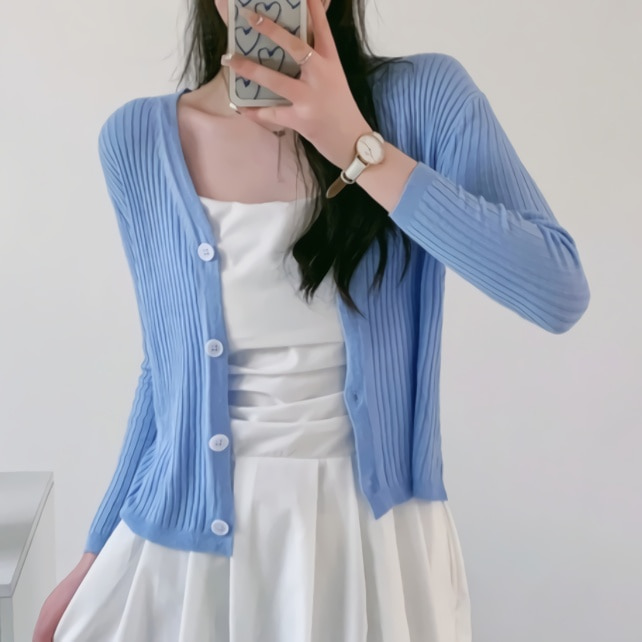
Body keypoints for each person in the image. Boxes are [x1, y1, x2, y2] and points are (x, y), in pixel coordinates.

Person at [34, 0, 591, 640]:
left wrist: (358, 147)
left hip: (375, 547)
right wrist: (96, 549)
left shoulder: (426, 98)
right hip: (189, 557)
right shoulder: (137, 140)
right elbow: (165, 370)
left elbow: (556, 292)